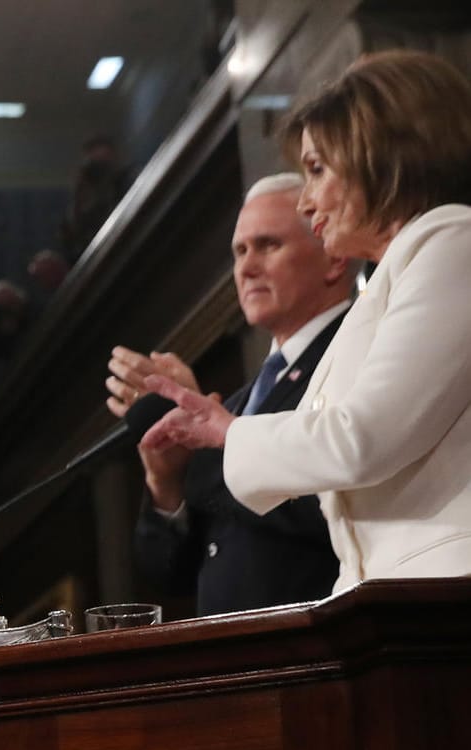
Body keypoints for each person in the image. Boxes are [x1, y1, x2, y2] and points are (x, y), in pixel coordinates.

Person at [145, 50, 471, 590]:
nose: (306, 201)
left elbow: (362, 439)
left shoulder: (451, 241)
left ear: (383, 155)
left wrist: (230, 431)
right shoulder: (393, 276)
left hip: (446, 596)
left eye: (317, 169)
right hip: (391, 600)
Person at [105, 174, 352, 614]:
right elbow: (168, 574)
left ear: (334, 257)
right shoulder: (241, 401)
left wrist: (213, 447)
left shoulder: (353, 356)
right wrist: (167, 483)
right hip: (231, 663)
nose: (246, 266)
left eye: (268, 245)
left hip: (320, 655)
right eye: (239, 251)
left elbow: (333, 505)